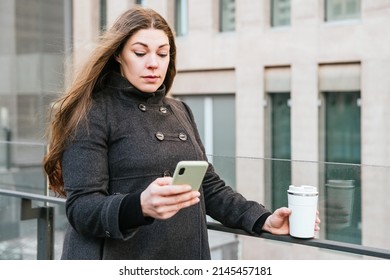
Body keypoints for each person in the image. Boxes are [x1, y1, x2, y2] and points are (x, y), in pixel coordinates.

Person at [43, 6, 320, 260]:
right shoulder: (92, 112)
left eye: (163, 54)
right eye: (140, 53)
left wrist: (262, 219)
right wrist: (139, 206)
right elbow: (81, 209)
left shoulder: (179, 110)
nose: (153, 63)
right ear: (118, 54)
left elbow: (208, 186)